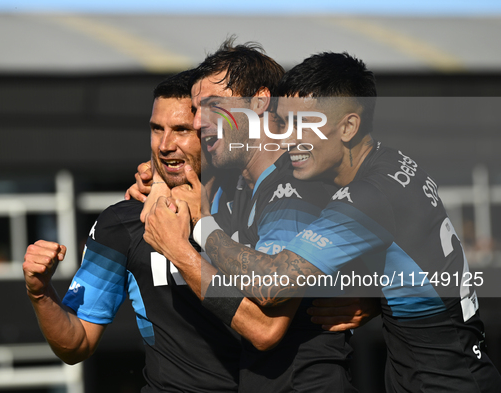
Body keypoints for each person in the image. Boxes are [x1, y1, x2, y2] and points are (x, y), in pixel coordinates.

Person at [144, 52, 501, 392]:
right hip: (452, 373)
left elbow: (271, 287)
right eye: (285, 123)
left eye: (304, 124)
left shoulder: (367, 198)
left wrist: (199, 228)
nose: (290, 137)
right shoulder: (392, 165)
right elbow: (414, 254)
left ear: (348, 126)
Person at [22, 70, 297, 392]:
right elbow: (76, 343)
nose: (165, 145)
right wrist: (40, 292)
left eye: (181, 130)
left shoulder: (268, 207)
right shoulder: (123, 221)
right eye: (156, 129)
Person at [143, 40, 371, 393]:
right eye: (196, 109)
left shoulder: (295, 185)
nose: (199, 121)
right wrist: (157, 178)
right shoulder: (241, 184)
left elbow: (266, 324)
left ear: (260, 102)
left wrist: (181, 249)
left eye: (213, 106)